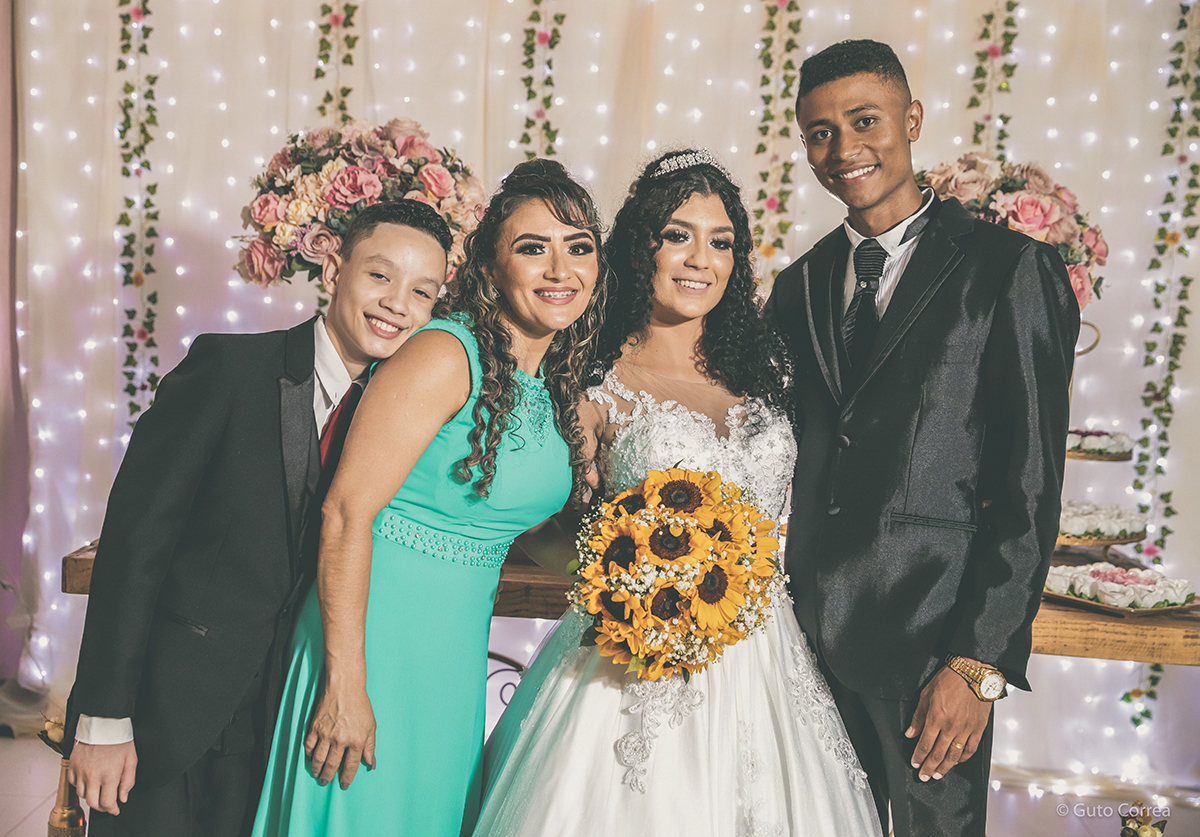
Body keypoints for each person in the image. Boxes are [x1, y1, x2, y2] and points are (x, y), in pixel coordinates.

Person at [471, 149, 882, 837]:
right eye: (678, 236)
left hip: (769, 657)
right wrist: (624, 583)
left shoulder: (769, 366)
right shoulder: (590, 376)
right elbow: (540, 523)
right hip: (635, 658)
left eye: (721, 242)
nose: (700, 260)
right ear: (642, 247)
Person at [764, 40, 1079, 837]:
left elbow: (1030, 484)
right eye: (820, 132)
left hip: (932, 649)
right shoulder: (799, 285)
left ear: (911, 120)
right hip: (800, 648)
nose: (843, 148)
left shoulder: (1010, 270)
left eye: (864, 121)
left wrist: (978, 663)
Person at [65, 199, 454, 836]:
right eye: (380, 275)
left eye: (422, 291)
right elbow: (135, 546)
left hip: (285, 730)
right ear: (334, 270)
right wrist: (104, 718)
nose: (397, 304)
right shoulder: (228, 369)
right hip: (166, 712)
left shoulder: (410, 422)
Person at [250, 158, 606, 837]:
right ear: (491, 266)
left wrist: (632, 580)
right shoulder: (445, 353)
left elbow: (516, 527)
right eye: (534, 248)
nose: (560, 269)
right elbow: (346, 512)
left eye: (578, 247)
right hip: (371, 645)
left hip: (450, 655)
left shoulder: (554, 384)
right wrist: (345, 683)